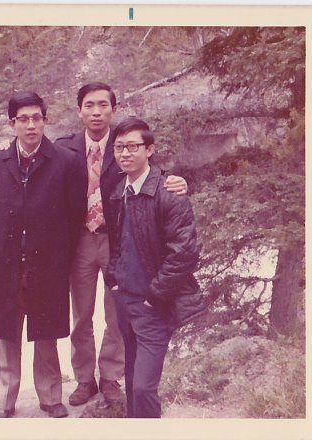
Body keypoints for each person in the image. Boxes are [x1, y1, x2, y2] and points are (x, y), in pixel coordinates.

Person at [54, 82, 187, 406]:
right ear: (79, 110)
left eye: (103, 105)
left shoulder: (126, 142)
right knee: (81, 315)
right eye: (89, 105)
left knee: (117, 313)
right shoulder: (64, 147)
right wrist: (7, 145)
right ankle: (84, 379)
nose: (96, 112)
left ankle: (110, 376)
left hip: (118, 241)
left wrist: (177, 180)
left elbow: (153, 172)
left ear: (113, 109)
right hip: (80, 240)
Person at [0, 91, 87, 418]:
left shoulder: (66, 161)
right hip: (5, 259)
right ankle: (4, 400)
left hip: (48, 259)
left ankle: (51, 396)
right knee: (7, 332)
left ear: (45, 120)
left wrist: (58, 251)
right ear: (12, 123)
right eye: (23, 119)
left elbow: (75, 213)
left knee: (46, 332)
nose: (31, 126)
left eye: (36, 118)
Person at [103, 117, 207, 418]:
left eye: (132, 147)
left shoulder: (169, 194)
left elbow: (184, 254)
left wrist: (155, 297)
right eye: (119, 147)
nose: (125, 153)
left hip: (152, 306)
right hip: (125, 299)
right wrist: (113, 281)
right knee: (131, 376)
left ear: (149, 150)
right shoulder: (119, 191)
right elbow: (117, 243)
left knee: (143, 387)